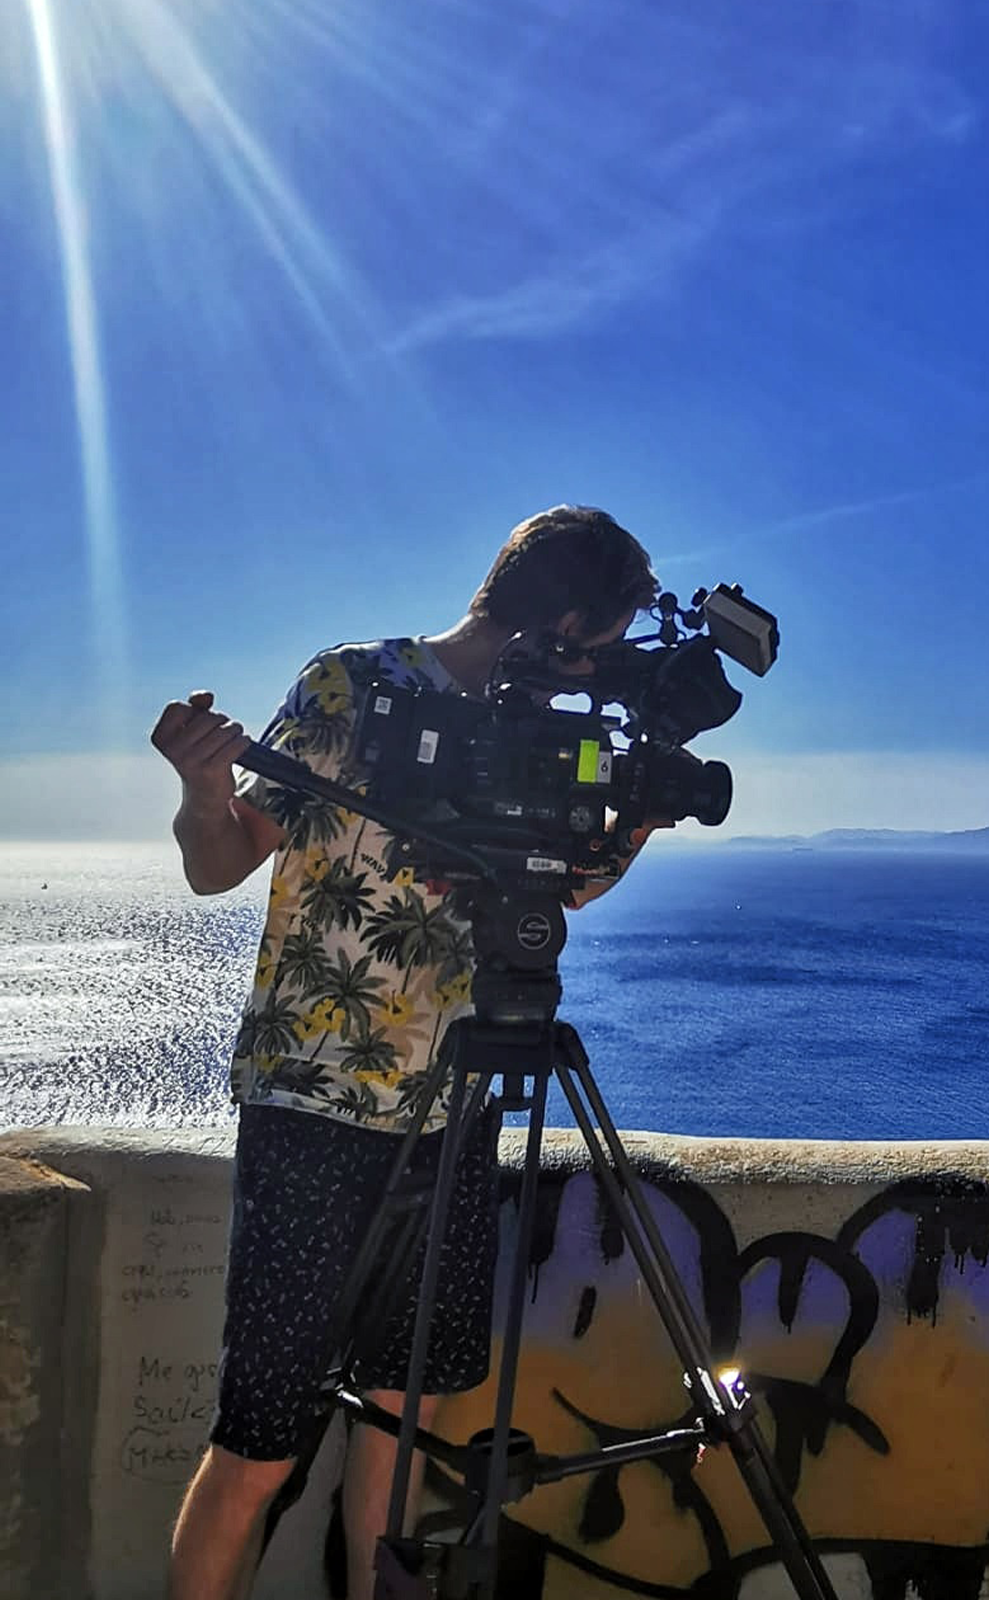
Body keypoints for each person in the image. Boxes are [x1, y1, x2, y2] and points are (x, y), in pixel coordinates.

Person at [150, 506, 664, 1600]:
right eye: (605, 643)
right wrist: (202, 789)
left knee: (402, 1425)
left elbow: (565, 888)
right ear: (570, 620)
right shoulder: (353, 685)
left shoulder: (544, 729)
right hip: (314, 1109)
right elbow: (219, 862)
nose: (604, 669)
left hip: (454, 1112)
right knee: (260, 1446)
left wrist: (638, 807)